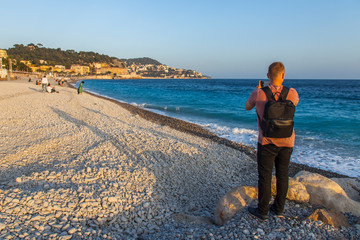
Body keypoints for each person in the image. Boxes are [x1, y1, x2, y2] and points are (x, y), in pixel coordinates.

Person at [245, 62, 299, 220]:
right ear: (283, 75)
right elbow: (292, 106)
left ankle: (262, 211)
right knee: (283, 174)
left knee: (265, 176)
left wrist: (257, 90)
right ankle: (279, 208)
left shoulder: (259, 92)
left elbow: (247, 107)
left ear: (267, 76)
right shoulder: (293, 93)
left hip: (267, 141)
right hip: (287, 142)